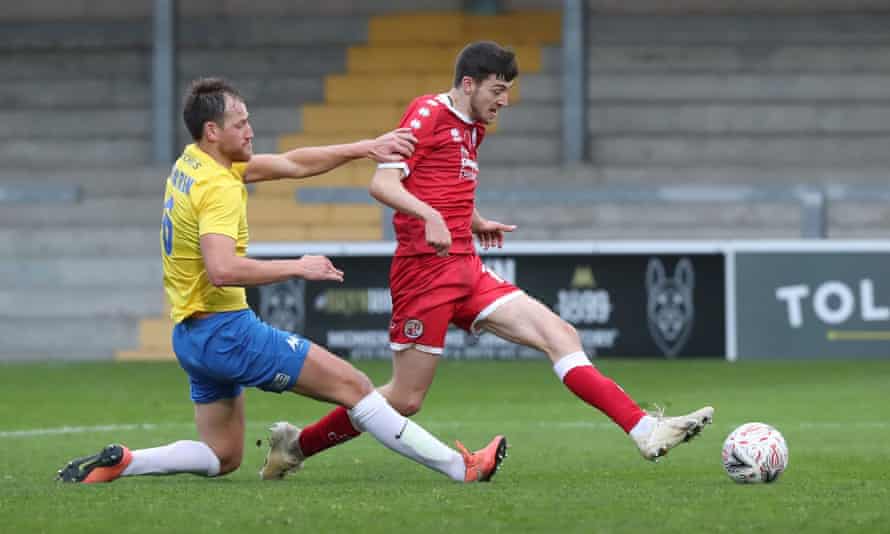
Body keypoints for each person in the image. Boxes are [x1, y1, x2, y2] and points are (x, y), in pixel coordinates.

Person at [278, 42, 714, 472]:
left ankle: (642, 429)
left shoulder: (473, 126)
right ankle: (297, 446)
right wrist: (429, 216)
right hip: (424, 274)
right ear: (468, 84)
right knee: (404, 400)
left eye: (508, 91)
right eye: (497, 90)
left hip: (466, 269)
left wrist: (474, 220)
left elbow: (444, 186)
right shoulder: (427, 113)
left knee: (560, 334)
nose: (505, 101)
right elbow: (383, 184)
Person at [56, 77, 507, 485]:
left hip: (191, 337)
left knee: (223, 455)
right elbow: (223, 269)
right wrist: (299, 265)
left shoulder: (193, 164)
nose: (250, 130)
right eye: (240, 123)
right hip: (227, 330)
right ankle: (460, 468)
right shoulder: (218, 187)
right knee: (357, 389)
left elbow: (292, 163)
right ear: (213, 131)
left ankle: (127, 461)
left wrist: (366, 147)